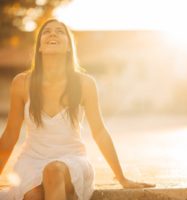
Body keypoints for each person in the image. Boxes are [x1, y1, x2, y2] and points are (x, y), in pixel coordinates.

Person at [0, 19, 155, 200]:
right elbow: (10, 134)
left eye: (60, 31)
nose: (53, 33)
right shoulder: (22, 83)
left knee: (53, 170)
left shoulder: (84, 83)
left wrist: (122, 178)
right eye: (47, 31)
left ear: (68, 46)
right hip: (31, 161)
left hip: (71, 160)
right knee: (33, 194)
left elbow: (99, 132)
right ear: (40, 47)